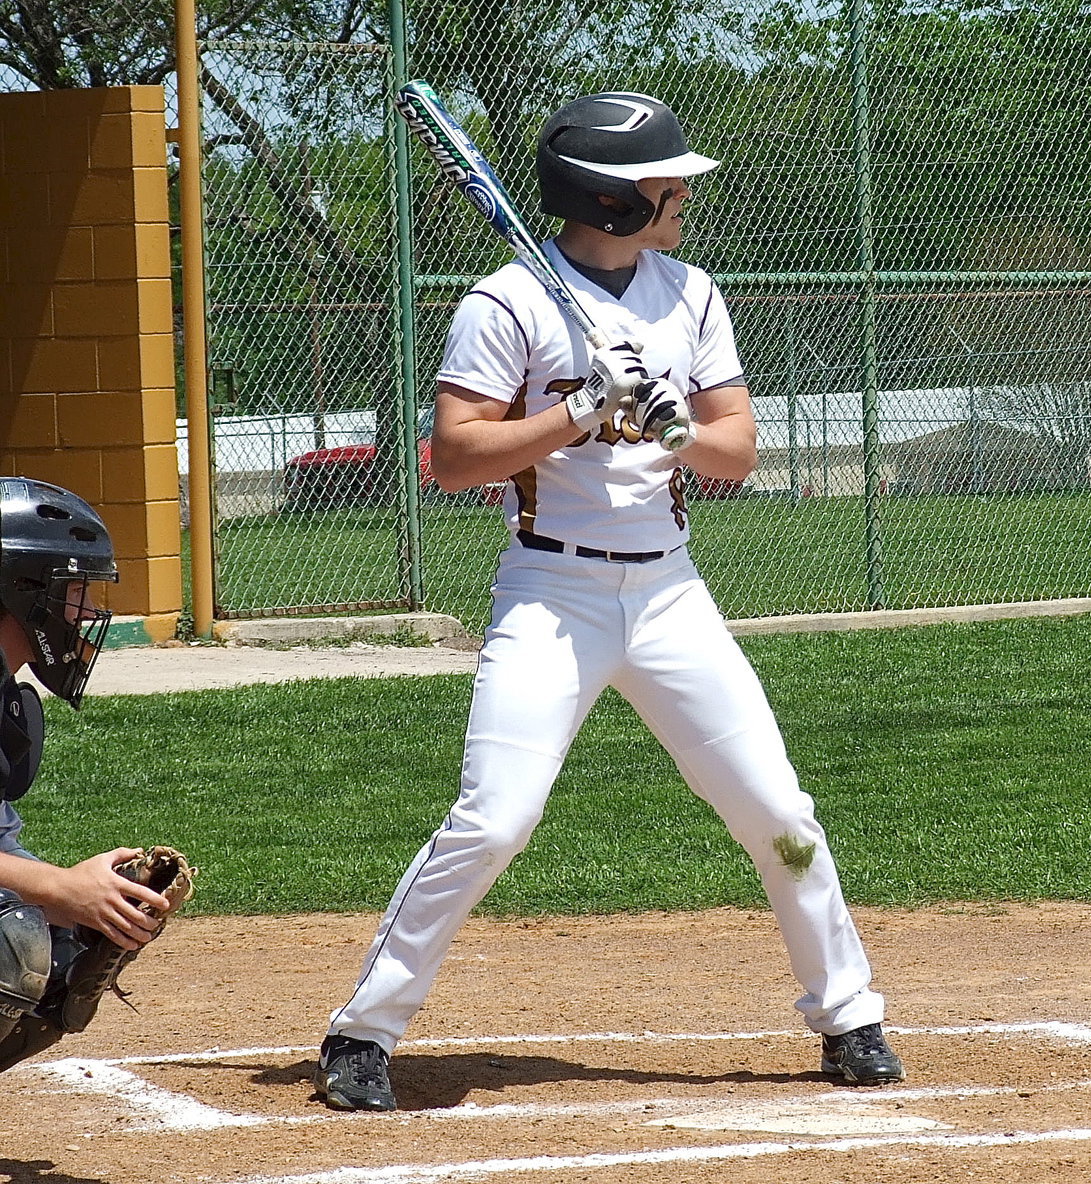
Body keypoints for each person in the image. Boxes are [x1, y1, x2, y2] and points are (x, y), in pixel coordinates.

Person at [315, 91, 903, 1111]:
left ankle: (849, 1013)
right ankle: (363, 1030)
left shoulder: (692, 293)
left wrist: (667, 423)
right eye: (661, 184)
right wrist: (581, 409)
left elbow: (739, 449)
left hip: (671, 591)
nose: (680, 197)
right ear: (612, 199)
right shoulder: (505, 304)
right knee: (495, 819)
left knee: (779, 811)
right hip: (552, 592)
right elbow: (453, 459)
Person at [0, 477, 172, 1071]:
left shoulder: (6, 702)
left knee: (61, 943)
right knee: (9, 942)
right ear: (22, 588)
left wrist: (93, 901)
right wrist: (59, 889)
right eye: (76, 589)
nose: (92, 611)